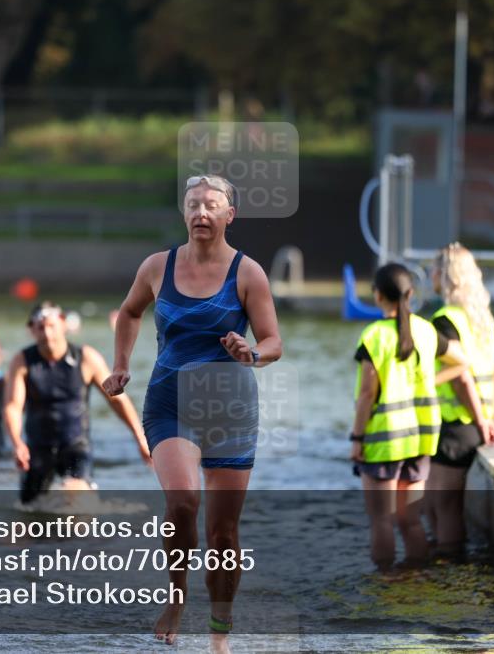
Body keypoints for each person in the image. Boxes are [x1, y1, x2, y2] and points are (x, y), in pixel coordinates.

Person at [102, 174, 282, 651]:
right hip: (170, 402)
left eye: (211, 205)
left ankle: (220, 635)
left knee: (223, 533)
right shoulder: (157, 266)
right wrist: (121, 365)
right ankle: (177, 595)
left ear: (229, 215)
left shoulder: (248, 273)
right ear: (184, 213)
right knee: (183, 502)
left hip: (230, 408)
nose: (201, 213)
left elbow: (273, 341)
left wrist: (252, 352)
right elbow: (129, 313)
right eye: (193, 205)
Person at [349, 263, 468, 570]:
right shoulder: (426, 330)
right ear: (410, 294)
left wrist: (357, 438)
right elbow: (461, 363)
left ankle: (385, 582)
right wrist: (432, 381)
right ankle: (415, 579)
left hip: (383, 442)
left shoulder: (374, 336)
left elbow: (366, 395)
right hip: (420, 440)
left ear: (377, 296)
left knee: (381, 522)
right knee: (410, 521)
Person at [4, 303, 151, 504]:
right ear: (32, 330)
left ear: (63, 324)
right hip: (37, 448)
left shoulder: (86, 358)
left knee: (76, 497)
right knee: (29, 510)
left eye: (51, 326)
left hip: (75, 446)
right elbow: (13, 405)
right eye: (40, 327)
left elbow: (117, 399)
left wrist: (140, 437)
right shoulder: (22, 361)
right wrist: (17, 442)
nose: (47, 333)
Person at [425, 243, 494, 555]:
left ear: (447, 276)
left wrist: (479, 420)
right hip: (477, 422)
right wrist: (493, 418)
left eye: (434, 269)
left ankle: (447, 567)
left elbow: (460, 376)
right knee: (440, 504)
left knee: (443, 508)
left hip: (456, 425)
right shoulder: (482, 318)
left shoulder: (444, 320)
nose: (431, 274)